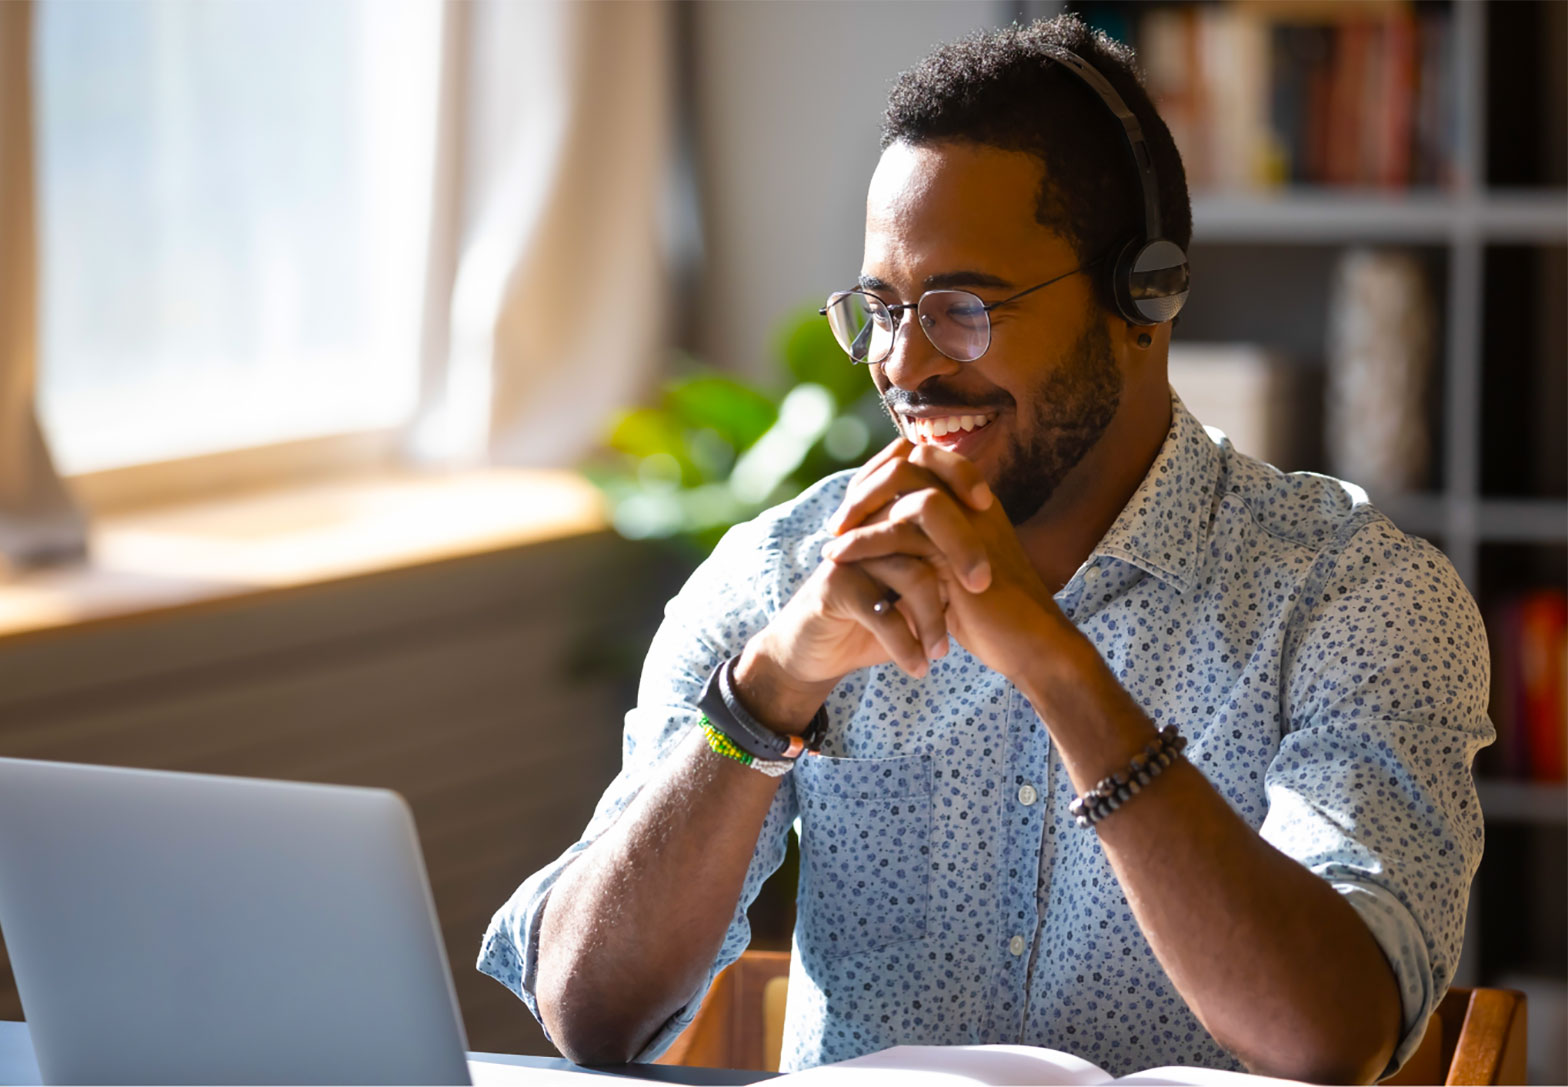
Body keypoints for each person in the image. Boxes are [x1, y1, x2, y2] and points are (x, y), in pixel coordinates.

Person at [479, 16, 1491, 1084]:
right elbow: (588, 1015)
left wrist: (1055, 666)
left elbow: (1328, 1035)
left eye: (962, 307)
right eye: (878, 307)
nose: (902, 365)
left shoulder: (1357, 596)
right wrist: (768, 692)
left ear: (1142, 295)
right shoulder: (782, 574)